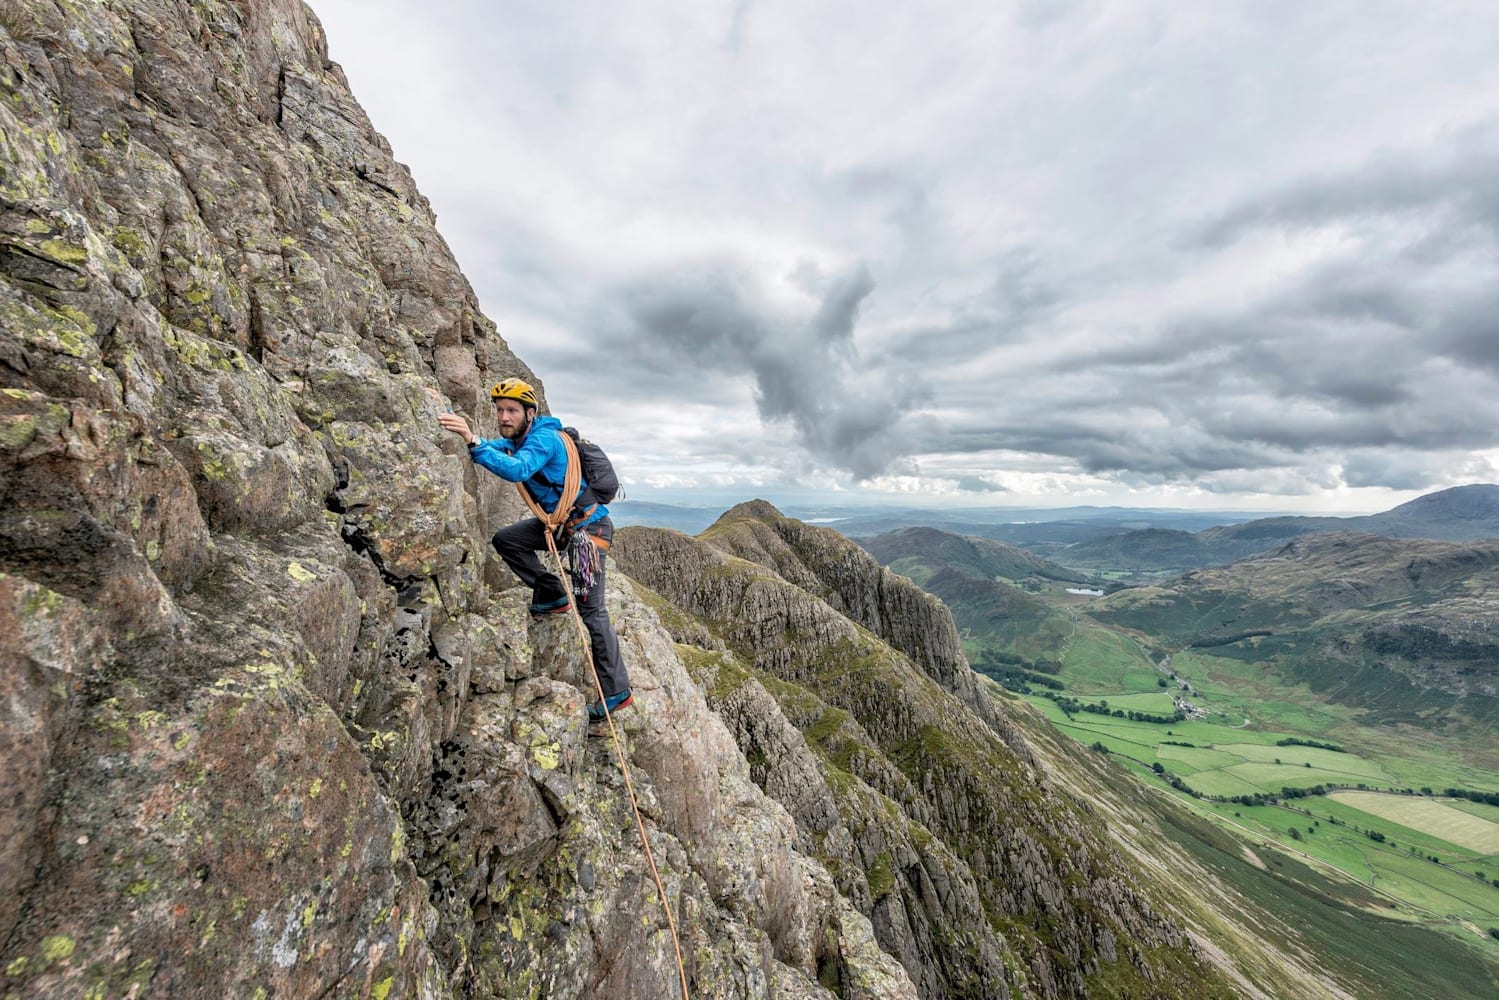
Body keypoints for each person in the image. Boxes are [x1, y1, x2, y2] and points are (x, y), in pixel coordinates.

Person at [438, 378, 632, 723]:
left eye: (511, 410)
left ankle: (617, 690)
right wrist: (447, 413)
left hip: (588, 531)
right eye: (500, 410)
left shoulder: (542, 440)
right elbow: (493, 446)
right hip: (563, 527)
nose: (504, 417)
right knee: (506, 540)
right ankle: (553, 592)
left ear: (530, 413)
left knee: (592, 612)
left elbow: (518, 469)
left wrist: (472, 440)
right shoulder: (521, 438)